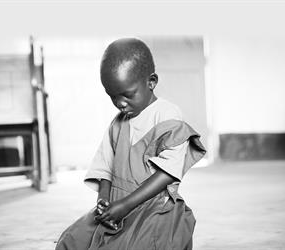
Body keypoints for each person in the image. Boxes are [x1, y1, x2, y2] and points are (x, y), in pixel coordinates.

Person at [55, 38, 206, 250]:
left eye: (127, 95)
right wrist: (104, 202)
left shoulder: (167, 115)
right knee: (71, 240)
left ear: (151, 82)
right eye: (112, 96)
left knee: (141, 244)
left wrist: (126, 205)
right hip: (118, 205)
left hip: (153, 207)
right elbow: (105, 169)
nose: (120, 103)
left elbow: (168, 173)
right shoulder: (117, 124)